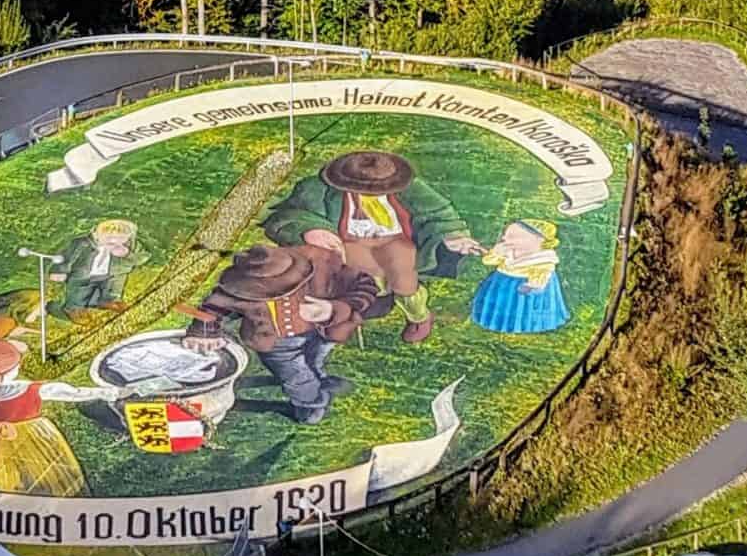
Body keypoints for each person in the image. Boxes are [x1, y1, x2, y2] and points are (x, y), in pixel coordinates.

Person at [265, 150, 482, 343]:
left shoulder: (410, 188)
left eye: (379, 189)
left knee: (404, 278)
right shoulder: (316, 188)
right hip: (349, 243)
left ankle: (419, 317)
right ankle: (346, 317)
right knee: (365, 279)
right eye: (364, 189)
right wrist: (313, 229)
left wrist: (453, 235)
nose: (372, 193)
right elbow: (289, 216)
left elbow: (439, 213)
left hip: (395, 241)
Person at [185, 243, 386, 423]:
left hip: (322, 332)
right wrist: (203, 332)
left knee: (315, 360)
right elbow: (212, 308)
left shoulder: (323, 264)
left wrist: (333, 309)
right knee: (296, 376)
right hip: (276, 343)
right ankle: (310, 404)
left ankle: (318, 378)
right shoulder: (241, 285)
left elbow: (366, 287)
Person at [0, 337, 87, 496]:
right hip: (31, 433)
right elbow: (73, 393)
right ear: (8, 370)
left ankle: (2, 494)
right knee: (43, 468)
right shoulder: (29, 389)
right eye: (16, 365)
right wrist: (111, 393)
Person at [469, 220, 569, 336]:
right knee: (499, 305)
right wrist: (496, 253)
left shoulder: (543, 260)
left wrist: (532, 285)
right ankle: (494, 321)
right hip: (501, 283)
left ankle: (527, 325)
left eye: (513, 236)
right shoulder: (508, 251)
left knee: (522, 308)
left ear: (538, 240)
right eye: (505, 235)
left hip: (524, 287)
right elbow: (488, 261)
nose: (505, 239)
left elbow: (542, 276)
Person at [51, 219, 142, 315]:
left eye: (120, 237)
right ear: (96, 233)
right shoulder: (83, 244)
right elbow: (68, 256)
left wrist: (127, 254)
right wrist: (59, 270)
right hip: (85, 276)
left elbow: (141, 257)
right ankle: (74, 308)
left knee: (116, 281)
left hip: (110, 275)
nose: (114, 240)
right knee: (79, 292)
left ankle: (110, 300)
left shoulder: (129, 246)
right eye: (108, 236)